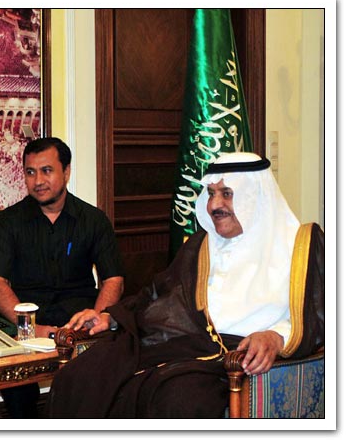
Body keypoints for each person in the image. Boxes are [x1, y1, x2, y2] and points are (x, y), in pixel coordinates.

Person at [48, 152, 325, 418]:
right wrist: (110, 318)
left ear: (256, 197)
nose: (214, 205)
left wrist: (277, 337)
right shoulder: (201, 246)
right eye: (211, 194)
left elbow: (322, 312)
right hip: (185, 347)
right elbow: (156, 295)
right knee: (79, 376)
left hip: (232, 363)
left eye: (227, 194)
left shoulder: (301, 246)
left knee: (175, 398)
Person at [0, 137, 125, 417]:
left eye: (46, 171)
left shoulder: (93, 220)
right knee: (17, 382)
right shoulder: (9, 222)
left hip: (79, 320)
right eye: (30, 172)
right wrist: (30, 328)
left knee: (100, 378)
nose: (38, 181)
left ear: (66, 172)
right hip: (25, 323)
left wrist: (97, 318)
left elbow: (113, 280)